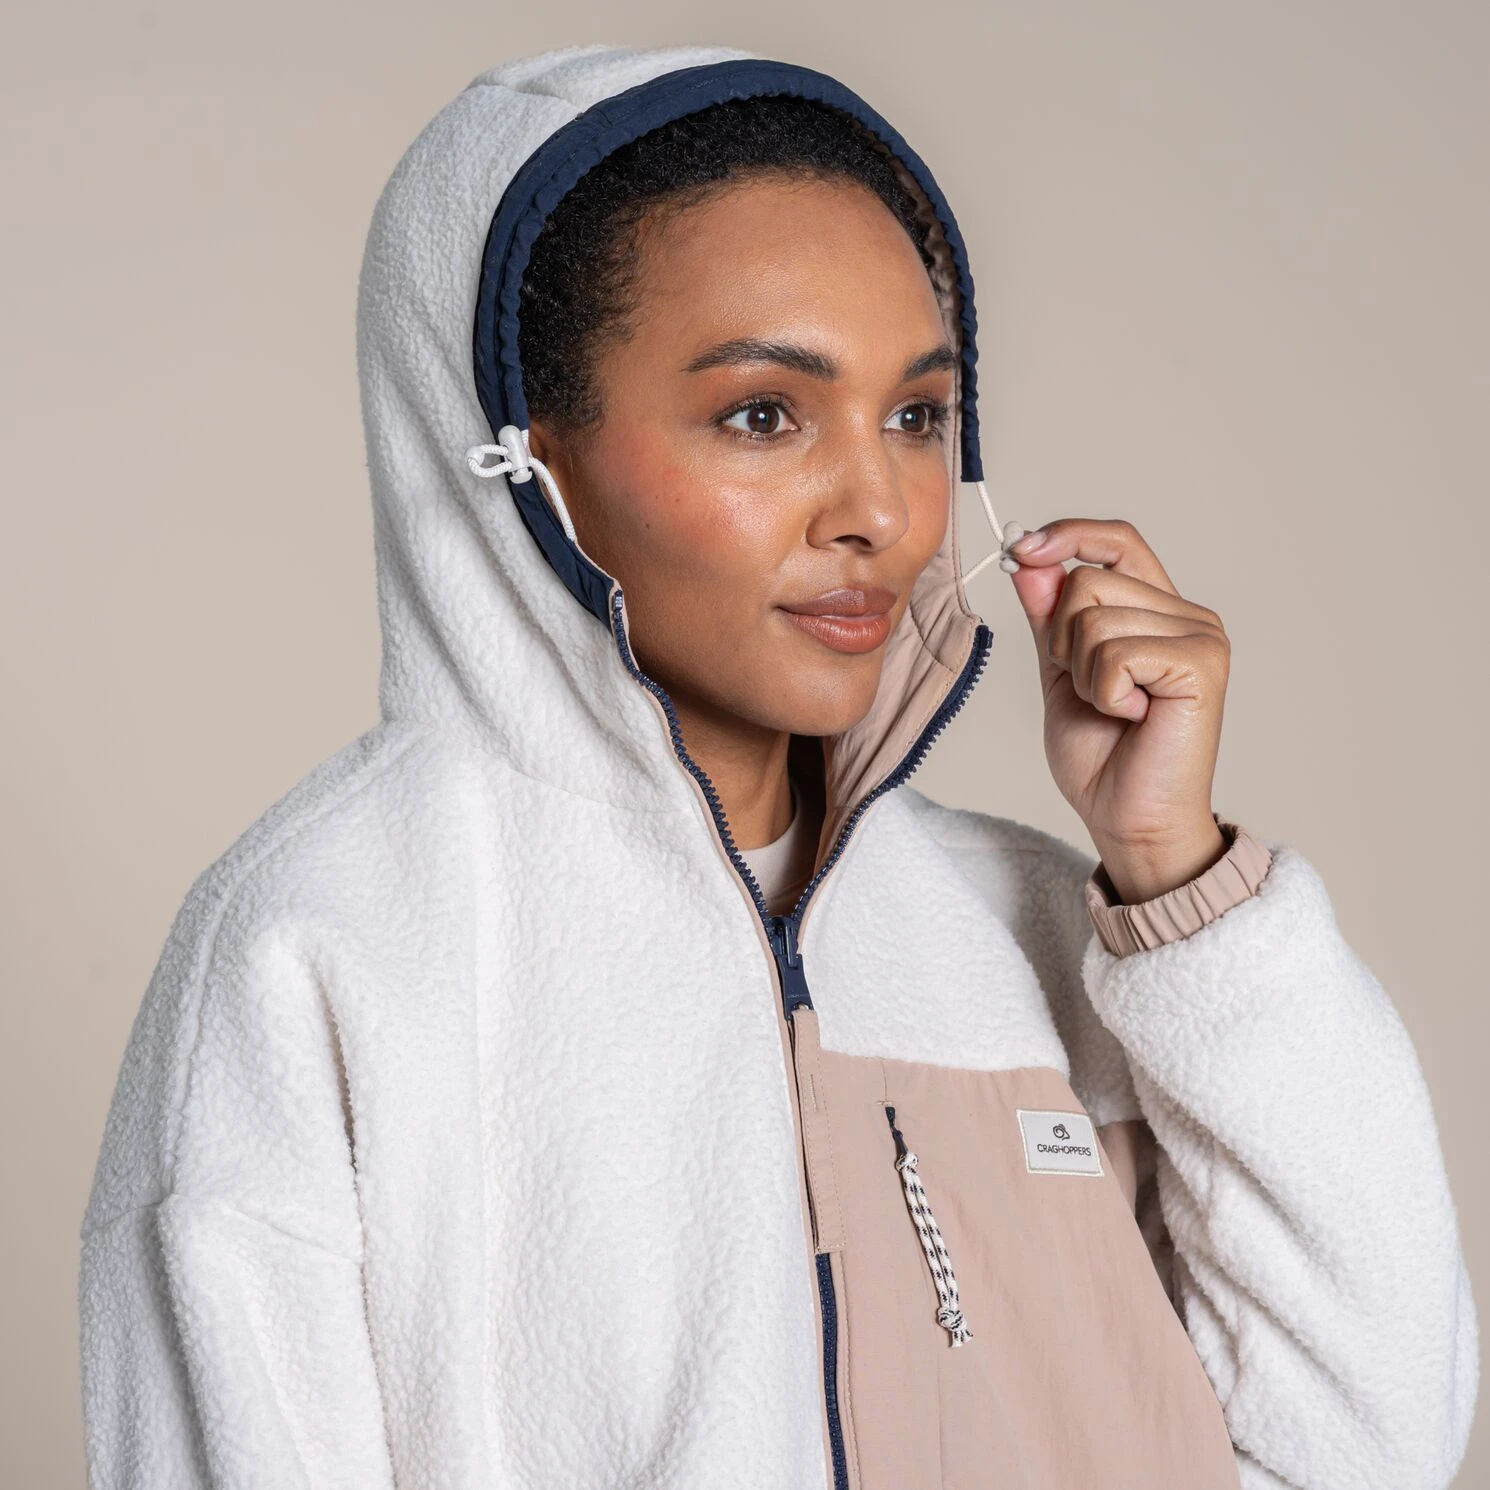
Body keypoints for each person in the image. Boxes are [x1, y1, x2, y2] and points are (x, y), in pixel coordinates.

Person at [77, 42, 1477, 1490]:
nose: (880, 509)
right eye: (763, 414)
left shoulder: (1042, 928)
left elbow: (1363, 1444)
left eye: (917, 417)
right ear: (520, 455)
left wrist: (1175, 878)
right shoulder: (325, 946)